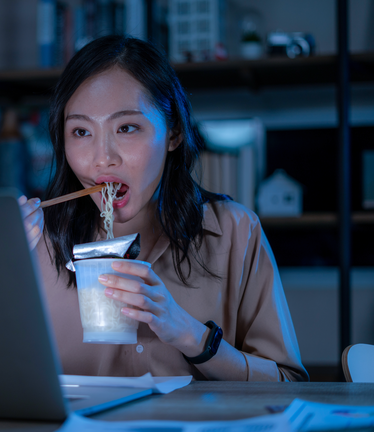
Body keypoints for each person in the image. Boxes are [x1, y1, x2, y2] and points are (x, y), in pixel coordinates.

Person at [19, 35, 308, 382]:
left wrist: (192, 335)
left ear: (173, 133)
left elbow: (289, 384)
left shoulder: (235, 231)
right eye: (81, 132)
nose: (102, 158)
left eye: (126, 128)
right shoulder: (35, 243)